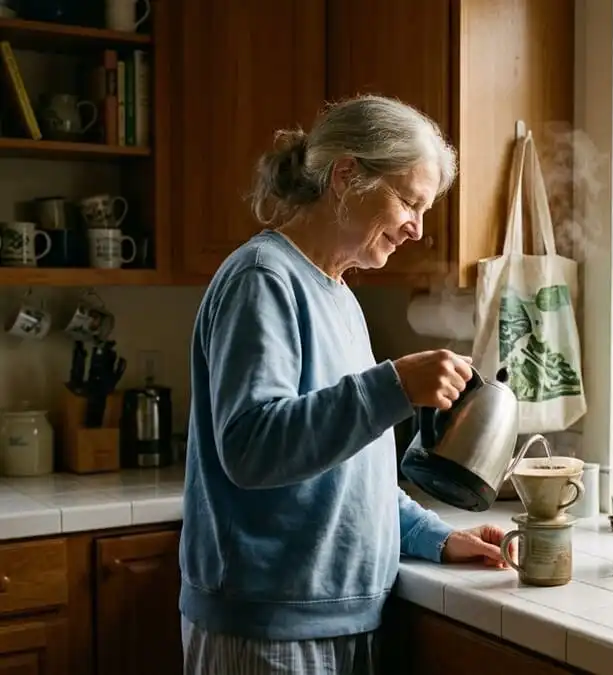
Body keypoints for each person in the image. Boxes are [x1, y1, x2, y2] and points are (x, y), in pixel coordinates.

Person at [179, 94, 510, 675]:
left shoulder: (340, 296)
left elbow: (354, 478)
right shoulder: (264, 280)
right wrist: (393, 386)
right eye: (410, 201)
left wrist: (436, 536)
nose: (417, 228)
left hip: (340, 618)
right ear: (346, 175)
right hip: (268, 625)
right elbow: (251, 448)